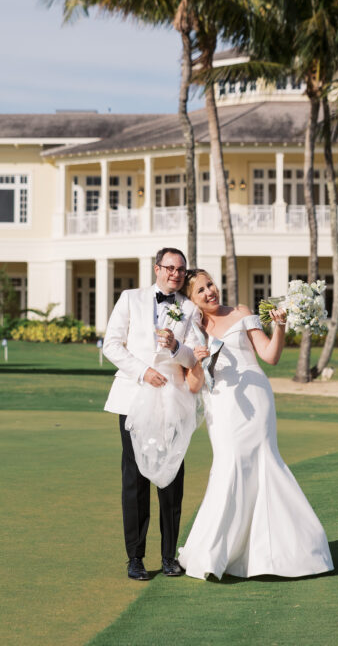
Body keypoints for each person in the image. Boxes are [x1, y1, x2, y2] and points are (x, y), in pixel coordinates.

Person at [175, 269, 334, 581]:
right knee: (229, 465)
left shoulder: (241, 312)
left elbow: (270, 356)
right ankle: (215, 552)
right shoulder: (190, 330)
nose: (210, 292)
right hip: (221, 404)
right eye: (201, 291)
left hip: (256, 399)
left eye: (210, 284)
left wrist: (280, 326)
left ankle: (288, 552)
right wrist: (196, 359)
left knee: (265, 464)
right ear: (190, 300)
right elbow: (192, 386)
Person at [103, 247, 203, 581]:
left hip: (172, 403)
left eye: (181, 270)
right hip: (134, 398)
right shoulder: (130, 298)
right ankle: (135, 557)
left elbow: (194, 357)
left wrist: (177, 348)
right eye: (170, 268)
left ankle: (169, 556)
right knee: (135, 479)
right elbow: (112, 345)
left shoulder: (190, 308)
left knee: (171, 479)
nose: (175, 274)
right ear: (157, 268)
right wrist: (142, 371)